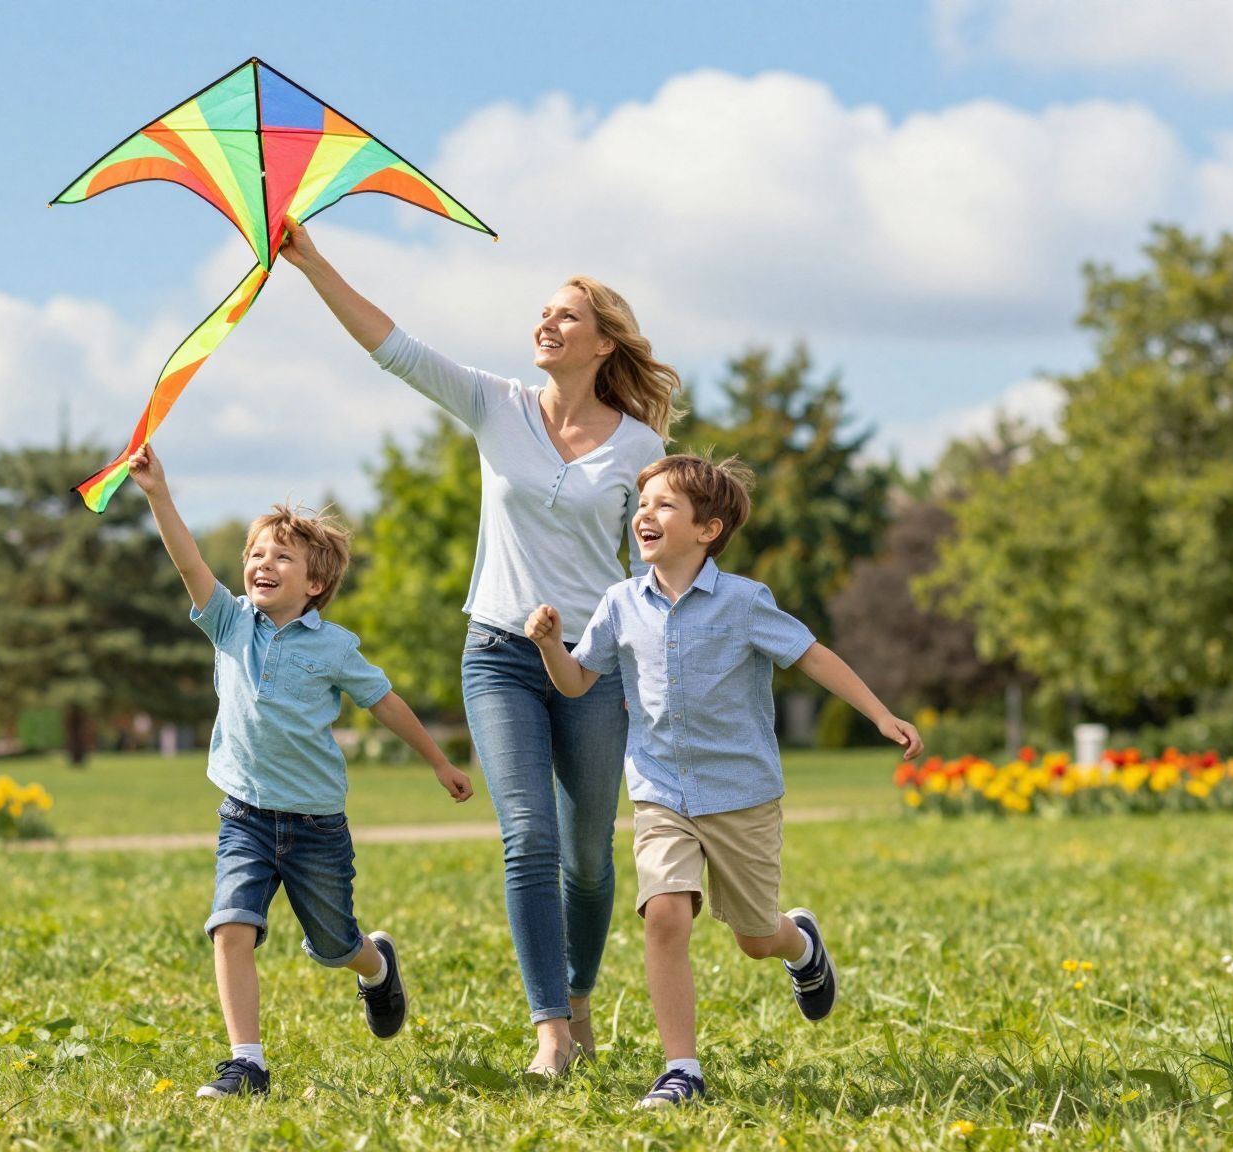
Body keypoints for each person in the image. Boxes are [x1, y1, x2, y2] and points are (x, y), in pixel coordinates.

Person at [280, 217, 676, 1076]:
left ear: (604, 342)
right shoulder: (495, 404)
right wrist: (313, 262)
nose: (546, 324)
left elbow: (662, 549)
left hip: (593, 665)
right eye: (542, 313)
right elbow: (395, 347)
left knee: (588, 859)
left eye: (566, 316)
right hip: (499, 653)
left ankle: (578, 994)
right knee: (527, 836)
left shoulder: (641, 448)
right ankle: (551, 1032)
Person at [523, 454, 924, 1108]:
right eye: (641, 503)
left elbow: (813, 655)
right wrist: (549, 646)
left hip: (741, 796)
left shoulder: (744, 602)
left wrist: (880, 714)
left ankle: (799, 942)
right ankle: (682, 1069)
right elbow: (576, 681)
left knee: (754, 937)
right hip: (660, 793)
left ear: (707, 529)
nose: (644, 514)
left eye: (663, 505)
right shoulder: (620, 603)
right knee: (665, 915)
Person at [127, 445, 475, 1100]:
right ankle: (247, 1064)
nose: (263, 563)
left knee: (335, 943)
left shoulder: (334, 647)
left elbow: (386, 703)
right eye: (257, 554)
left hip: (316, 825)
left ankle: (376, 966)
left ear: (314, 583)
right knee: (230, 927)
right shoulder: (230, 623)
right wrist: (157, 493)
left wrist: (438, 761)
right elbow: (187, 560)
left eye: (282, 557)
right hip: (245, 817)